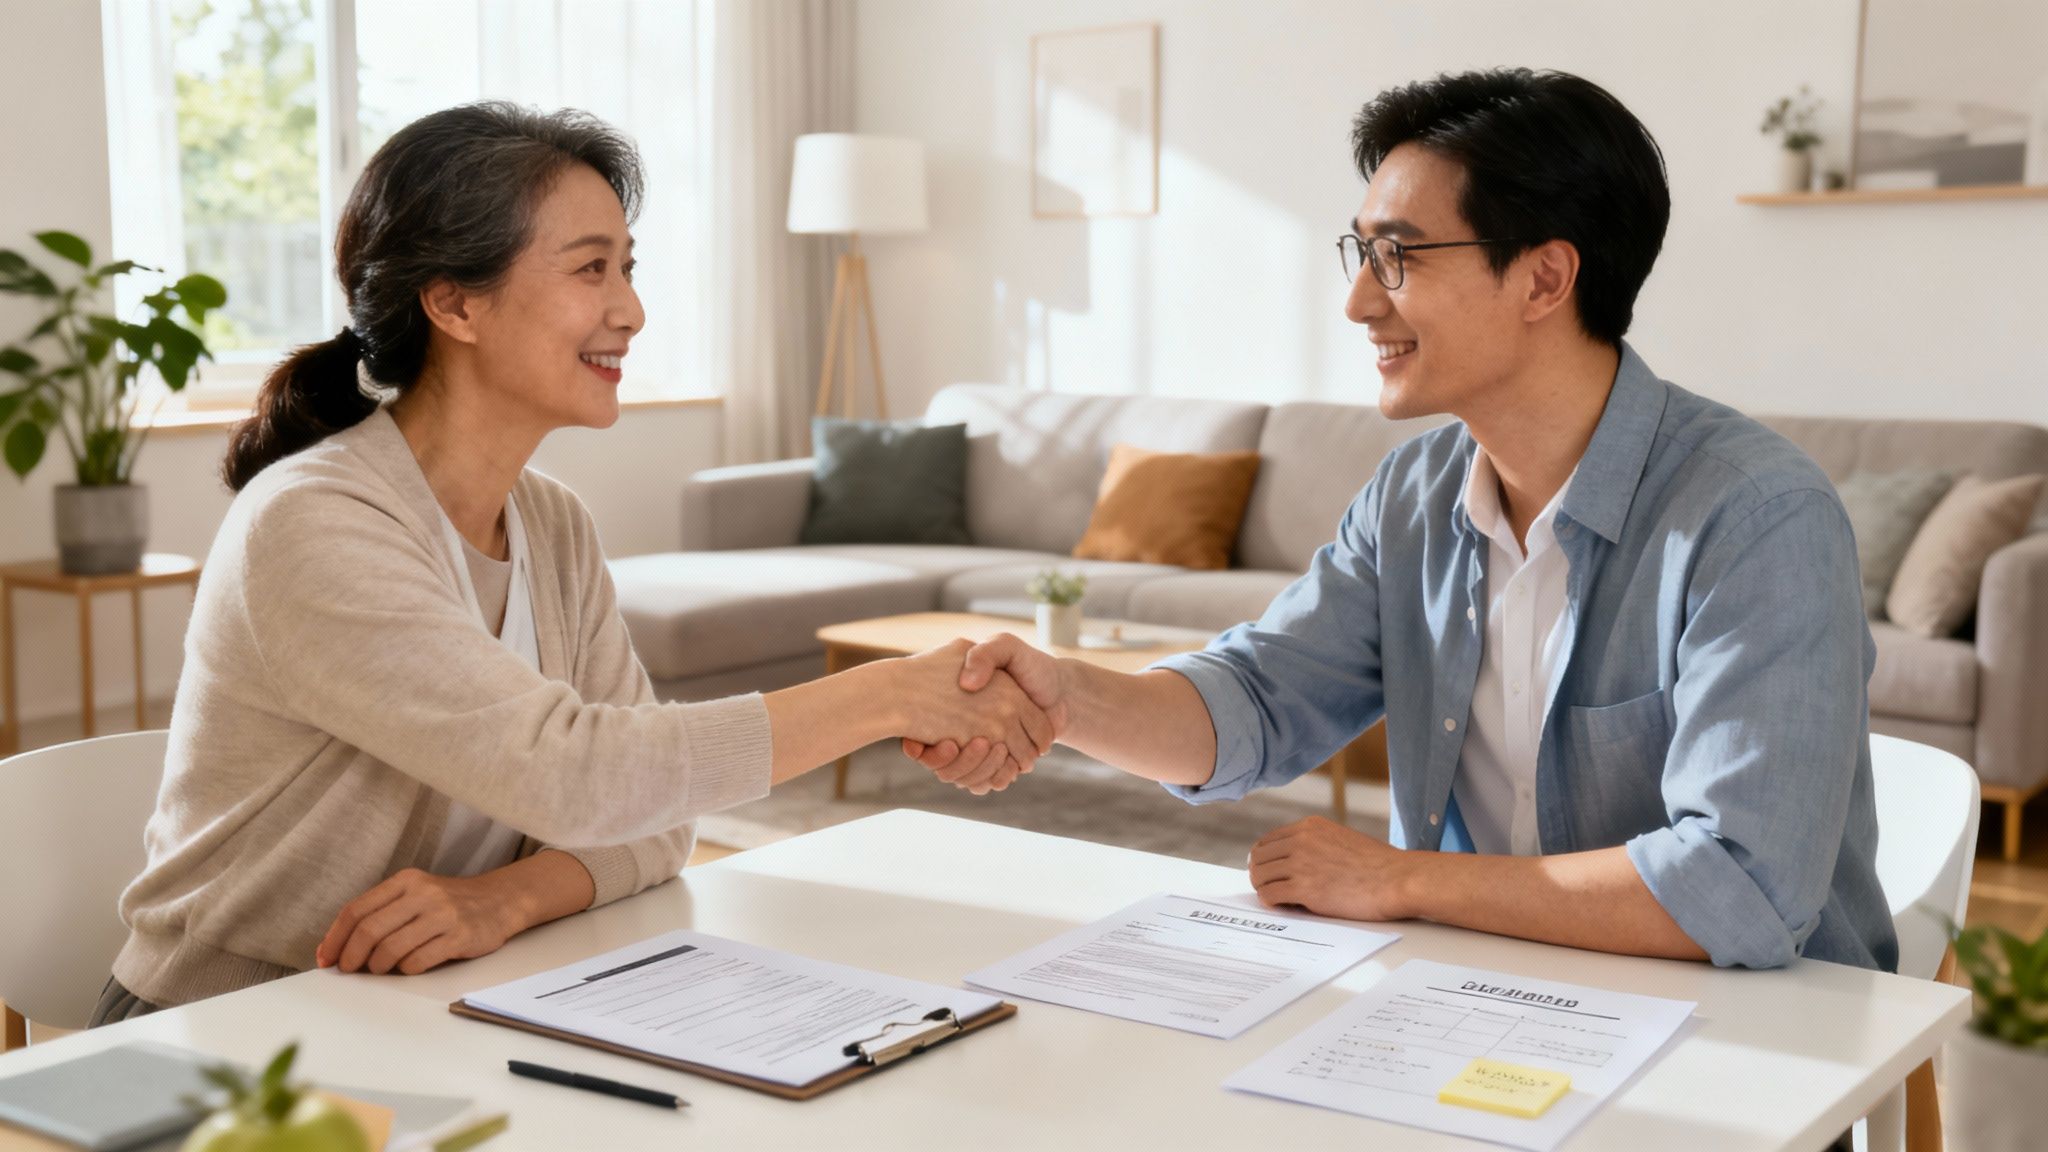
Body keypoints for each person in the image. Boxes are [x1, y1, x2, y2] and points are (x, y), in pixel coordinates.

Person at [911, 68, 1896, 973]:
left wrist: (1402, 879)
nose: (1354, 303)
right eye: (1360, 252)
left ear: (1544, 279)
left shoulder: (1755, 518)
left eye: (1394, 257)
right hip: (1480, 995)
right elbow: (1256, 703)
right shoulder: (1412, 496)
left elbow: (1740, 891)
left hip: (1749, 1041)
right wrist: (1065, 697)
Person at [94, 103, 1049, 1023]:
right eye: (591, 269)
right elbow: (580, 778)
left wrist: (504, 899)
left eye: (627, 269)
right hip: (224, 1026)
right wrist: (887, 697)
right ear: (455, 303)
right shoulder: (314, 524)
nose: (630, 311)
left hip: (424, 1004)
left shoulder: (549, 523)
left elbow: (654, 814)